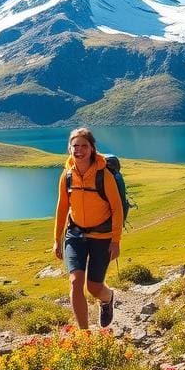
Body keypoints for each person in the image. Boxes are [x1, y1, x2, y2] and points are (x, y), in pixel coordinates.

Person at [53, 127, 123, 329]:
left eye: (84, 146)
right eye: (75, 146)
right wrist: (57, 238)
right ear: (69, 148)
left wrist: (116, 241)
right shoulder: (67, 175)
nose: (79, 150)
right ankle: (84, 334)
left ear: (92, 149)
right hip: (75, 235)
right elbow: (62, 207)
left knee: (94, 287)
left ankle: (108, 298)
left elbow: (117, 209)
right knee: (75, 282)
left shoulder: (103, 175)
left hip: (102, 236)